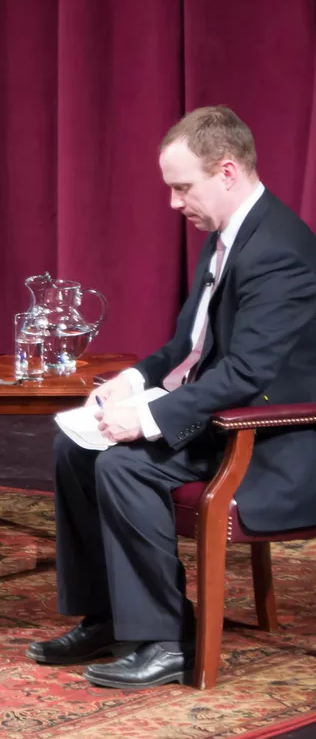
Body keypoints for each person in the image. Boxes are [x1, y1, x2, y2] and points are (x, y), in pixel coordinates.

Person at [29, 106, 316, 689]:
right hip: (222, 420)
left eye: (183, 187)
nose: (173, 203)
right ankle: (107, 616)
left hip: (271, 439)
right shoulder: (227, 238)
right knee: (75, 451)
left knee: (125, 467)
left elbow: (246, 371)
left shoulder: (279, 251)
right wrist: (132, 382)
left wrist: (151, 418)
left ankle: (165, 640)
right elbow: (189, 344)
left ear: (228, 172)